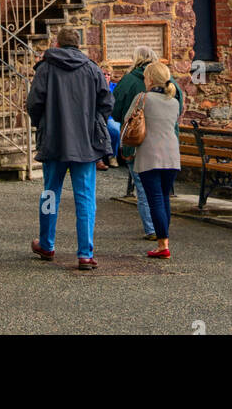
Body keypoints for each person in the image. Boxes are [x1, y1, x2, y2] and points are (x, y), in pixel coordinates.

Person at [26, 26, 113, 270]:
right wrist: (94, 123)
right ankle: (85, 253)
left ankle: (46, 243)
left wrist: (42, 123)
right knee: (85, 197)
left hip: (54, 140)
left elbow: (34, 102)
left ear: (57, 43)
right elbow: (107, 102)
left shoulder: (45, 68)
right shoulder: (92, 69)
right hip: (85, 143)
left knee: (50, 194)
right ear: (79, 45)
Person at [112, 46, 183, 239]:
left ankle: (154, 230)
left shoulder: (129, 83)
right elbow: (179, 110)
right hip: (169, 146)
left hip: (139, 144)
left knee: (146, 192)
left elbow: (117, 112)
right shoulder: (172, 86)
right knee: (163, 195)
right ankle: (162, 234)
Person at [126, 61, 181, 259]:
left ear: (150, 79)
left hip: (150, 154)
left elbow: (128, 119)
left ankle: (162, 245)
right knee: (164, 198)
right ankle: (164, 241)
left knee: (155, 200)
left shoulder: (143, 98)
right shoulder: (174, 102)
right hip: (172, 155)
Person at [98, 68, 120, 170]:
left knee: (115, 130)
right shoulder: (95, 86)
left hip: (111, 116)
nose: (106, 76)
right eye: (104, 74)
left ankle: (112, 156)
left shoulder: (115, 88)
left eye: (108, 74)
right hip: (99, 116)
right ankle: (99, 158)